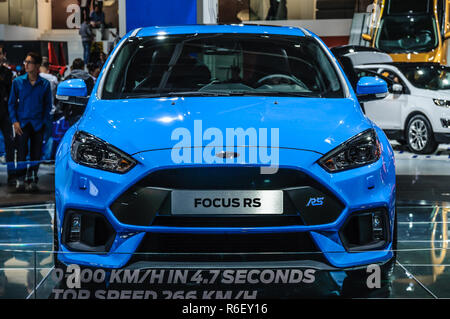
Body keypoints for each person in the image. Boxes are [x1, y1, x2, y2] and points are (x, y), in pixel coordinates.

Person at [8, 52, 52, 191]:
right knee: (21, 152)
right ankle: (20, 178)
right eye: (25, 62)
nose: (25, 65)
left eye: (29, 62)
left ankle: (32, 177)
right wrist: (14, 121)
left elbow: (48, 106)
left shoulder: (44, 84)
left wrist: (45, 123)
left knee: (36, 153)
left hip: (38, 124)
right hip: (22, 124)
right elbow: (11, 103)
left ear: (37, 65)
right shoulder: (18, 82)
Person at [0, 44, 16, 187]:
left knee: (10, 145)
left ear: (3, 55)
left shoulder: (7, 73)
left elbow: (11, 96)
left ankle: (11, 176)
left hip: (5, 114)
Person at [63, 58, 95, 126]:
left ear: (73, 67)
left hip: (71, 113)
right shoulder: (89, 79)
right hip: (86, 112)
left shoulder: (68, 79)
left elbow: (63, 98)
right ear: (83, 67)